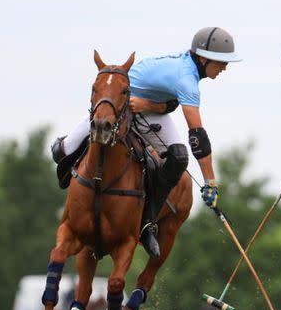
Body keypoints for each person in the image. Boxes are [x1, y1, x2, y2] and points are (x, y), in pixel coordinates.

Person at [51, 27, 241, 258]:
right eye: (221, 61)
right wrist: (210, 182)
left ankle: (146, 222)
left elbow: (169, 104)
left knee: (178, 157)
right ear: (203, 58)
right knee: (61, 151)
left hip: (147, 110)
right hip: (118, 106)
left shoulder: (187, 71)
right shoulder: (186, 78)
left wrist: (151, 106)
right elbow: (198, 136)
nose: (225, 67)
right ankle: (77, 208)